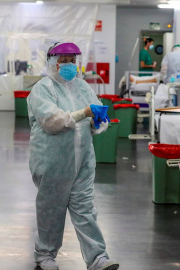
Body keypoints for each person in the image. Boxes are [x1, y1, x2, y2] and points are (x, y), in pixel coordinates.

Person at [28, 42, 119, 270]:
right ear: (51, 62)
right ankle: (45, 254)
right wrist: (84, 113)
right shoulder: (42, 89)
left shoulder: (83, 87)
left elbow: (98, 113)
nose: (69, 65)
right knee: (51, 208)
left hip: (83, 161)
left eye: (72, 60)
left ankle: (97, 258)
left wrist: (99, 121)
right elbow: (53, 122)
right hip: (53, 162)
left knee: (85, 209)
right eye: (63, 60)